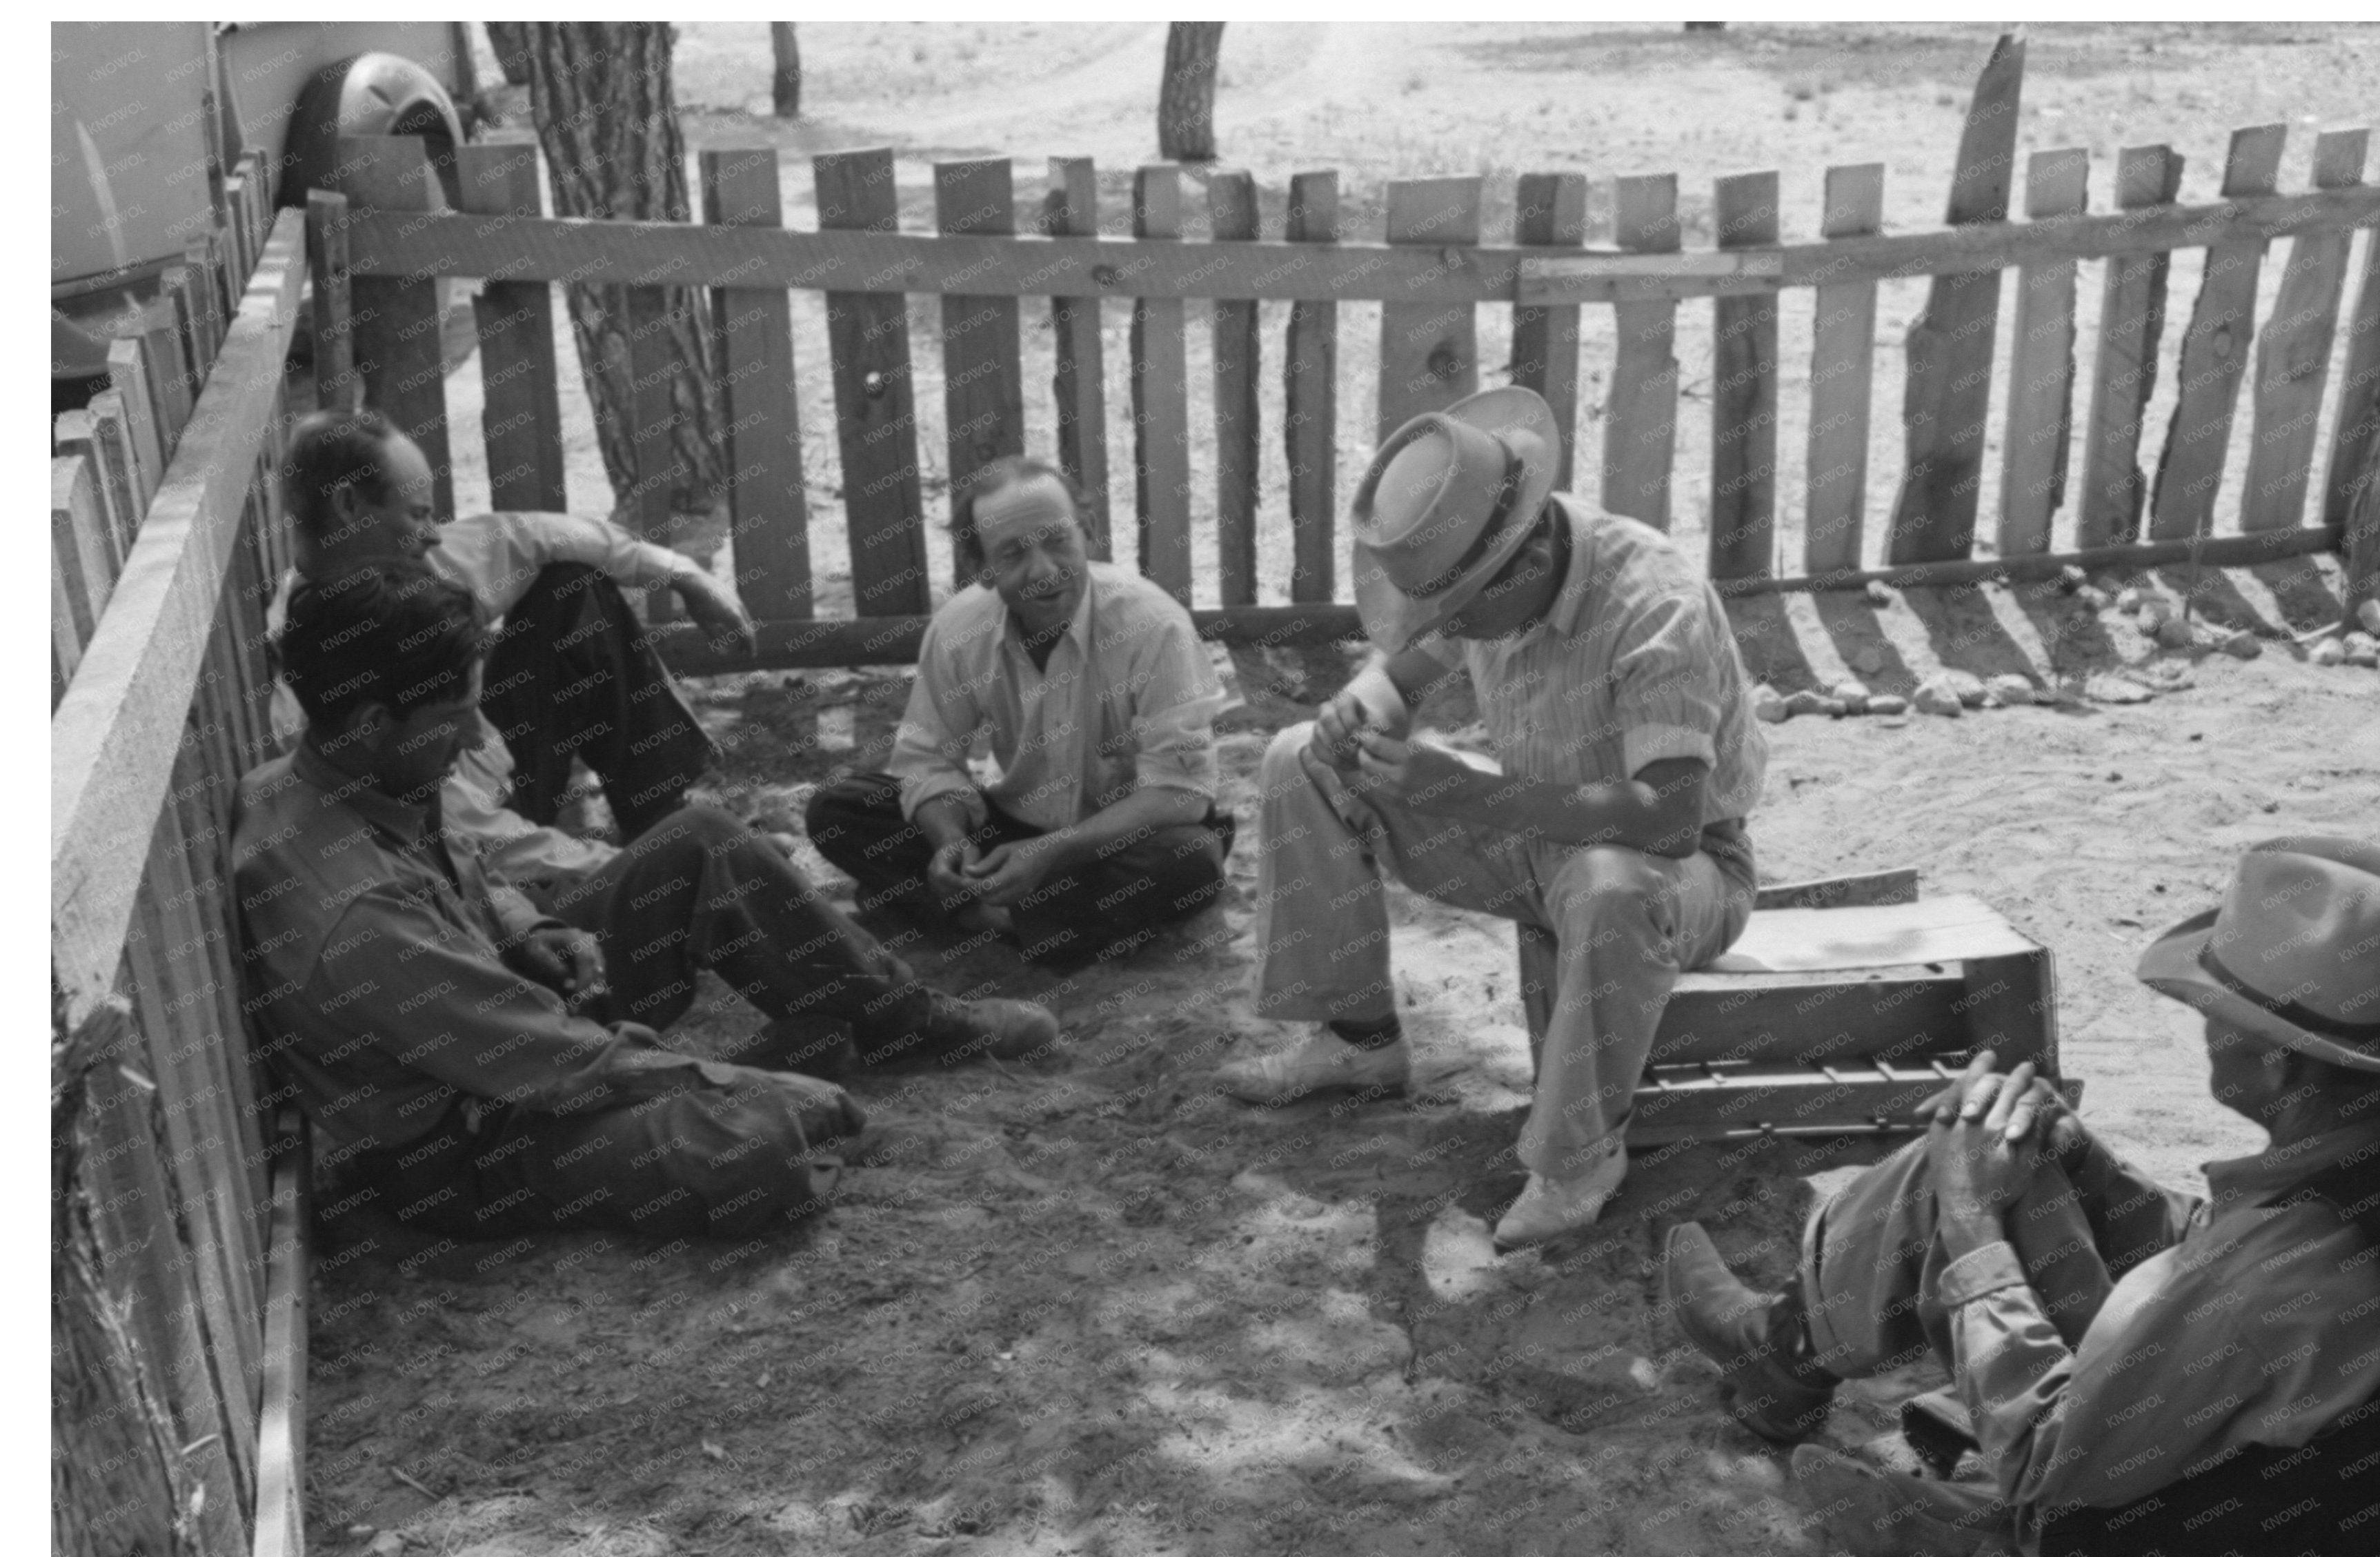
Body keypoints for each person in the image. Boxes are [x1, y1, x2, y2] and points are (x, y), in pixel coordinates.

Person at [1660, 835, 2380, 1557]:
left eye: (2217, 1017)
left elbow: (2046, 1461)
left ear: (2275, 1058)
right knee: (2011, 1155)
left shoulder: (2267, 1282)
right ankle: (1803, 1364)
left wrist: (1969, 1214)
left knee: (1957, 1166)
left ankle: (1833, 1401)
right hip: (2285, 1523)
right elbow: (2210, 1245)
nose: (2206, 1034)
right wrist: (2090, 1170)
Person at [237, 566, 1055, 1240]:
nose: (481, 739)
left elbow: (465, 875)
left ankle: (903, 1017)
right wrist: (727, 1079)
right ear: (375, 718)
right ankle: (784, 1069)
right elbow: (549, 1065)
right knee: (761, 1142)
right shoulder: (360, 915)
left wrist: (533, 925)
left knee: (701, 837)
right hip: (473, 1134)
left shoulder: (350, 770)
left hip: (500, 1021)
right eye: (457, 717)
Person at [1218, 386, 1767, 1250]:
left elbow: (1668, 820)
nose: (1448, 629)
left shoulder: (1653, 601)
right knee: (1301, 758)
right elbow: (1394, 677)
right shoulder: (1482, 561)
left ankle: (1579, 1158)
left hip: (1680, 870)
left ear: (1524, 556)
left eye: (1458, 609)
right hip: (1539, 835)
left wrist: (1467, 794)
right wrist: (1356, 709)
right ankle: (1358, 1040)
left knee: (1607, 878)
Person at [804, 457, 1233, 969]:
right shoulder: (959, 629)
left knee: (1188, 861)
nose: (1044, 571)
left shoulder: (1155, 625)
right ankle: (1030, 917)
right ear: (981, 570)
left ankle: (982, 917)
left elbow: (1182, 792)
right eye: (1012, 553)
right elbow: (925, 760)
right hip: (1008, 833)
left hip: (1114, 838)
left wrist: (1055, 850)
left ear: (1089, 531)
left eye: (1057, 540)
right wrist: (950, 843)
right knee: (839, 810)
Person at [277, 407, 742, 866]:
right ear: (349, 506)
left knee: (572, 586)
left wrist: (682, 574)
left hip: (495, 775)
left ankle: (663, 813)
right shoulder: (321, 661)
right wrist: (629, 867)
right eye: (417, 514)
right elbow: (467, 837)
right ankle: (672, 852)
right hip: (476, 842)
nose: (434, 536)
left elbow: (536, 535)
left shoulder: (403, 564)